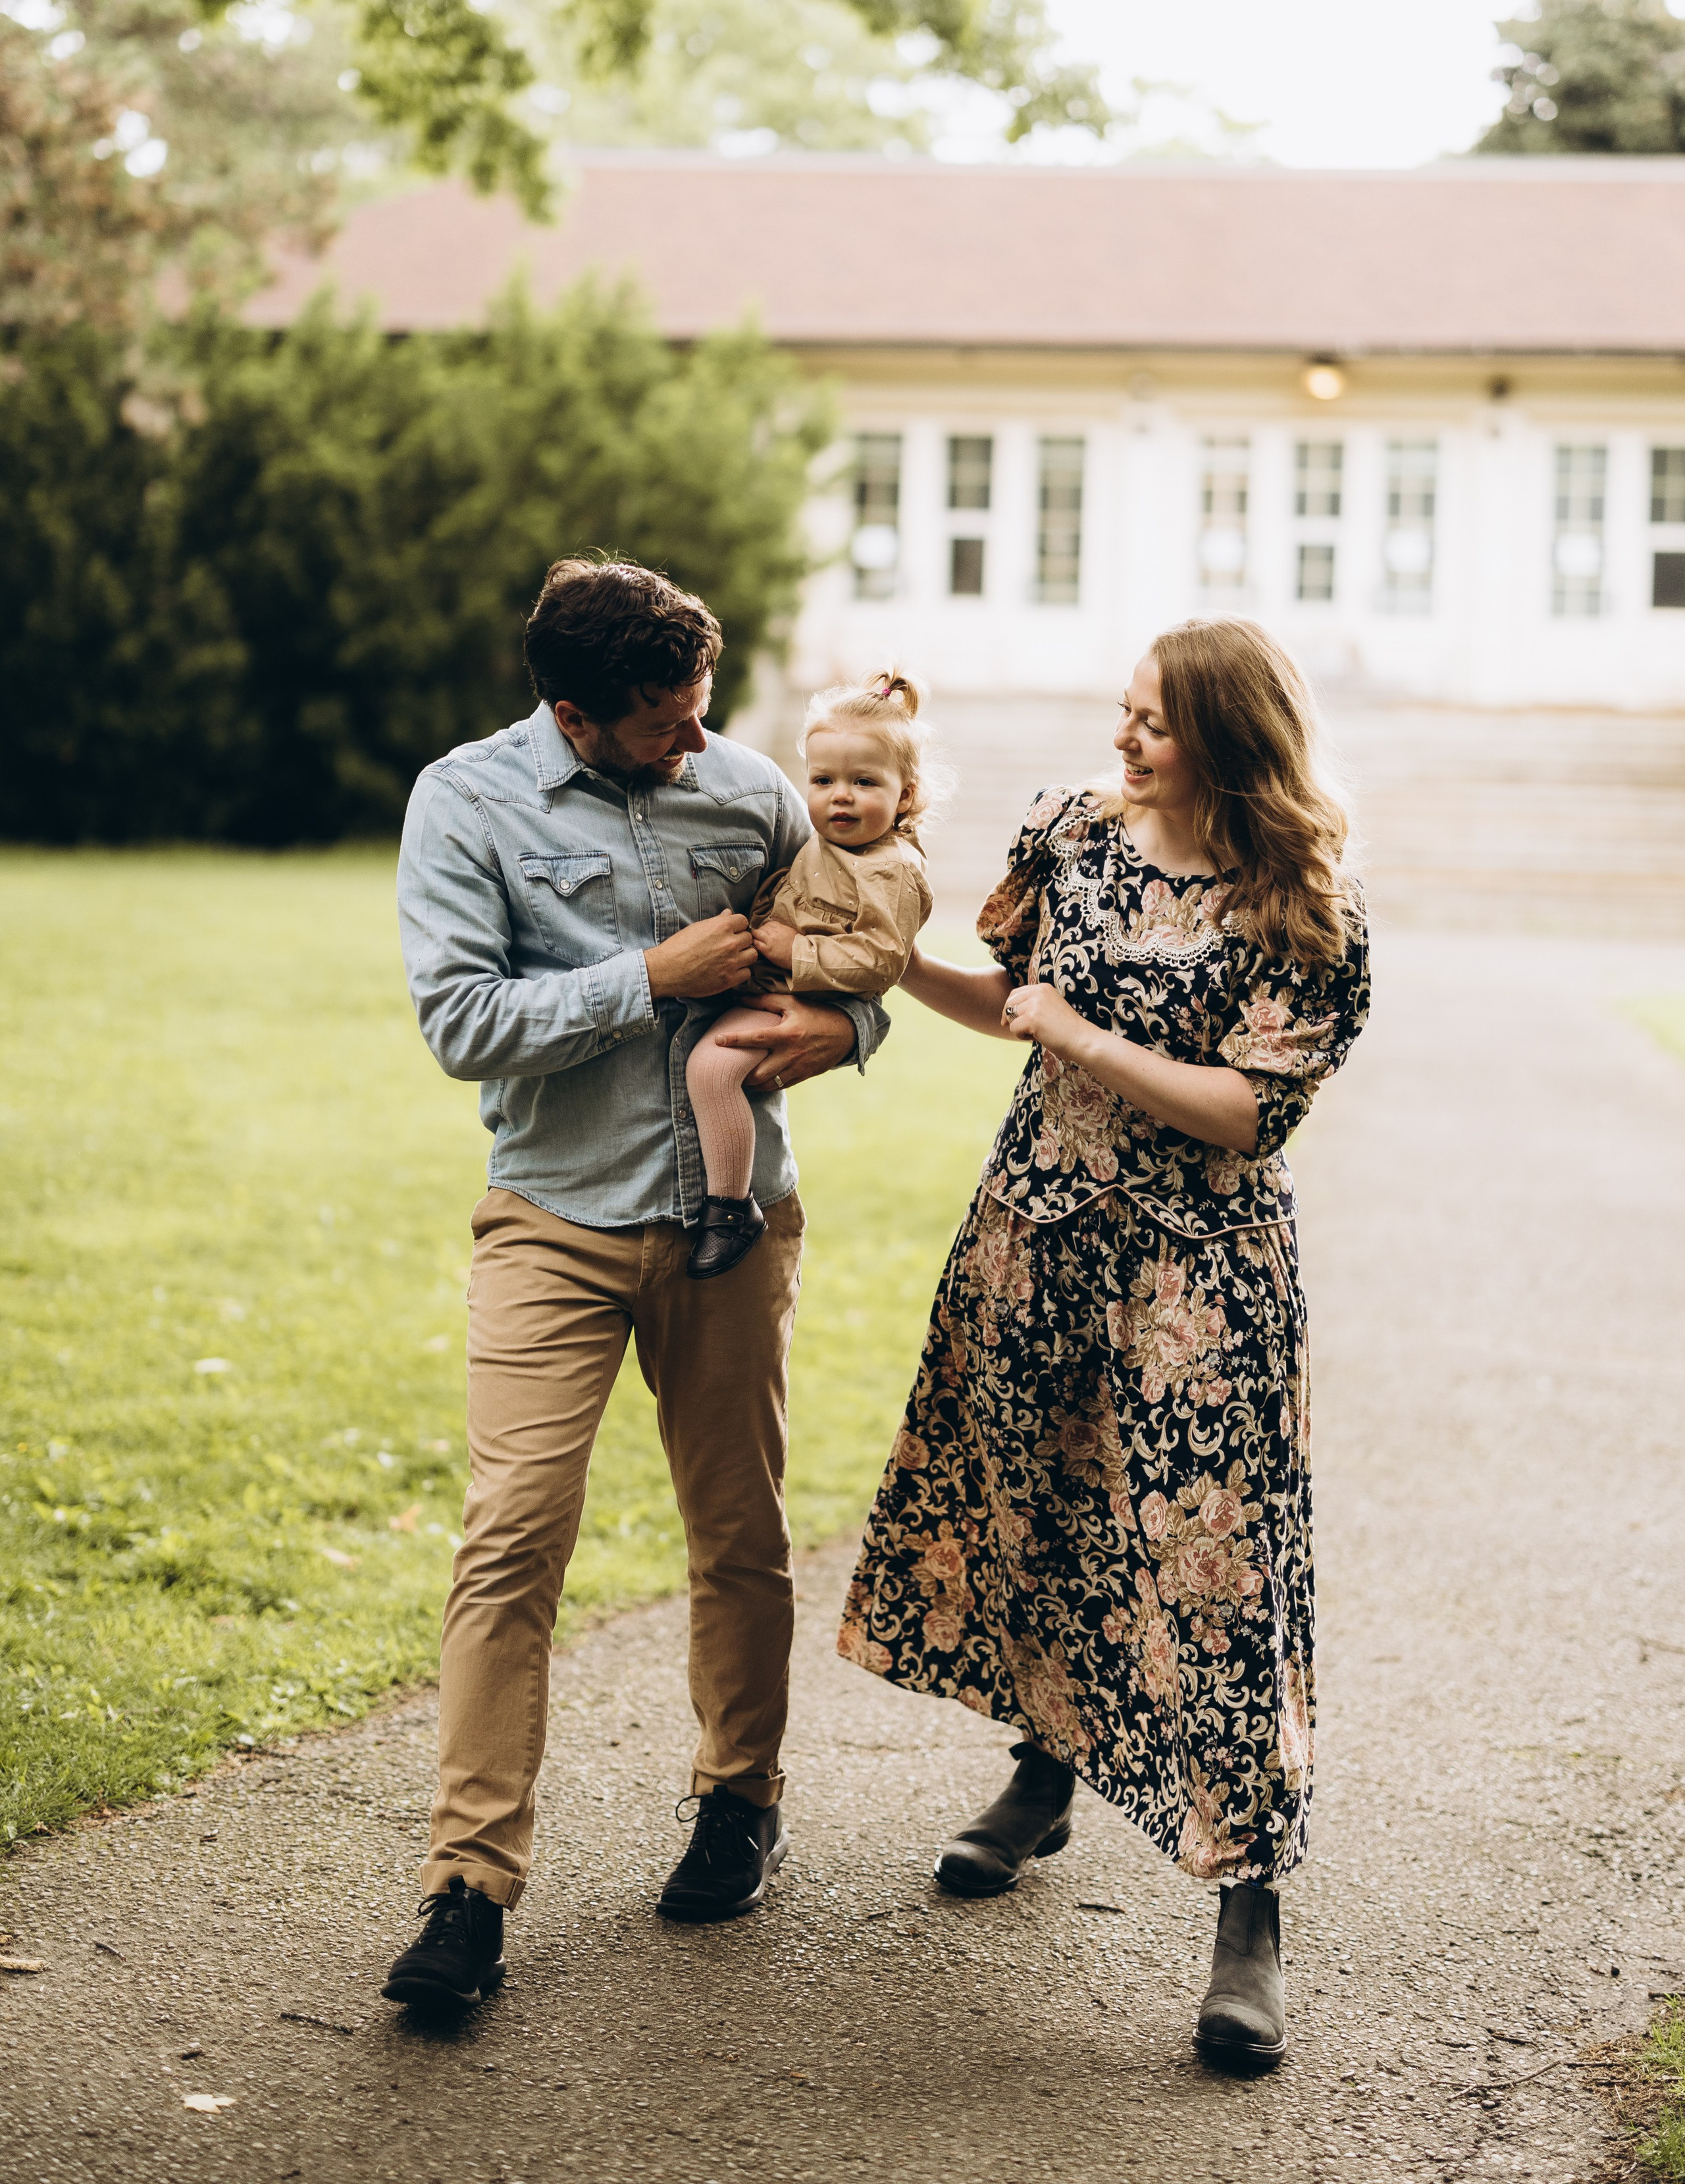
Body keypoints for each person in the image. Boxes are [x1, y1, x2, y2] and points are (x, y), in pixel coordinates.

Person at [839, 617, 1370, 2070]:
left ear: (1229, 739)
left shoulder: (1299, 896)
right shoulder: (1071, 834)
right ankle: (1041, 1777)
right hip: (1034, 1234)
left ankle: (1249, 1910)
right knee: (1045, 1513)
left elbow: (1247, 1112)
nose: (1123, 738)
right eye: (1122, 711)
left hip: (1198, 1272)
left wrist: (1081, 1039)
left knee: (1219, 1574)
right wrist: (890, 964)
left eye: (1154, 721)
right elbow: (1009, 1001)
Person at [382, 557, 889, 2010]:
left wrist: (844, 1034)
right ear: (574, 713)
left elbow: (860, 958)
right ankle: (468, 1887)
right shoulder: (465, 801)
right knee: (510, 1539)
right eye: (668, 720)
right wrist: (652, 978)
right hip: (553, 1220)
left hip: (735, 1223)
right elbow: (461, 1023)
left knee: (740, 1530)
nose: (699, 738)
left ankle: (739, 1797)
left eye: (702, 705)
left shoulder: (753, 794)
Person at [684, 671, 935, 1278]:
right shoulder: (829, 843)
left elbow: (885, 958)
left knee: (711, 1070)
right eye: (823, 781)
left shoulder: (893, 870)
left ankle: (730, 1207)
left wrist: (799, 951)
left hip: (803, 994)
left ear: (905, 795)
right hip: (772, 980)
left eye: (864, 782)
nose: (839, 797)